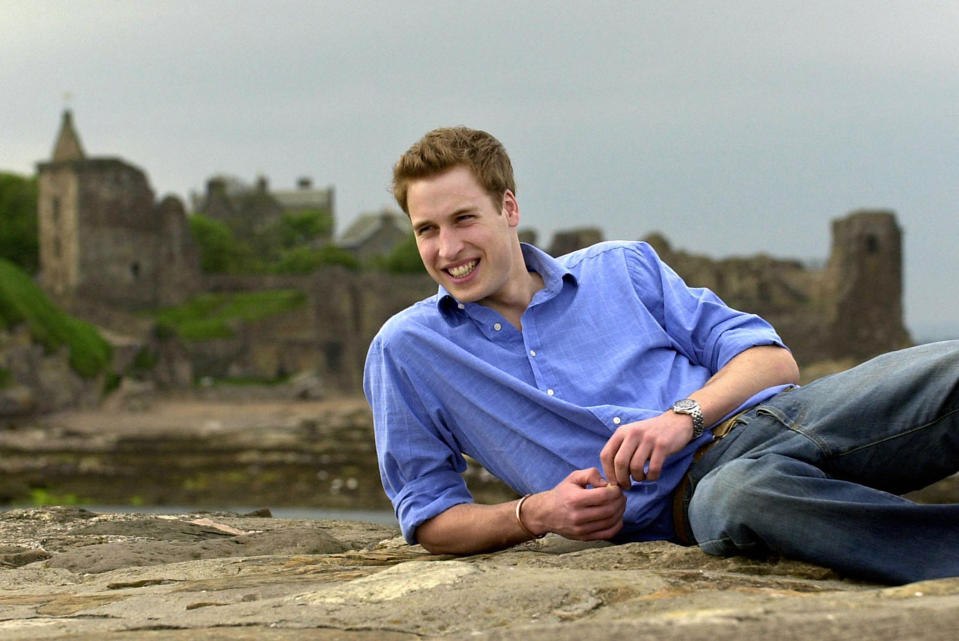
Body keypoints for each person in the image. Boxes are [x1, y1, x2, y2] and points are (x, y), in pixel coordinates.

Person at [363, 126, 959, 585]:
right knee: (744, 496)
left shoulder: (622, 267)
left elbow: (772, 361)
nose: (447, 248)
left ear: (509, 209)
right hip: (698, 501)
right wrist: (535, 514)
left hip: (785, 416)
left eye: (464, 218)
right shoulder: (408, 350)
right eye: (426, 230)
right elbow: (428, 516)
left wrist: (682, 418)